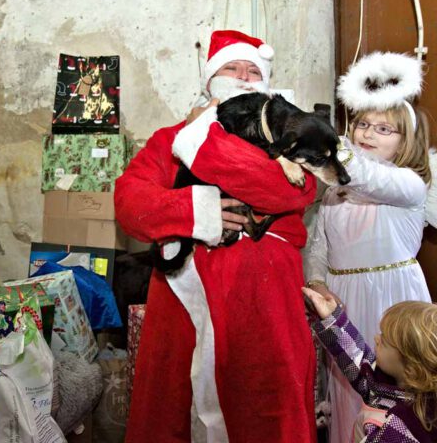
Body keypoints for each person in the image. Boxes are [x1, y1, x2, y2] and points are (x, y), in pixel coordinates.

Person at [115, 30, 319, 442]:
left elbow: (288, 191)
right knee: (174, 408)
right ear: (209, 82)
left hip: (263, 303)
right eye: (232, 68)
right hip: (181, 300)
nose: (244, 77)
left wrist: (201, 140)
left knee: (263, 407)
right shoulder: (167, 138)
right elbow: (130, 203)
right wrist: (193, 210)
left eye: (253, 71)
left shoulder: (288, 142)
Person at [303, 51, 433, 442]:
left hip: (394, 298)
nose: (367, 135)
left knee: (395, 387)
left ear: (405, 141)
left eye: (383, 129)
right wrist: (318, 280)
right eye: (362, 124)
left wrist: (324, 145)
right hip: (343, 300)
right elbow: (319, 244)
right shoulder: (336, 191)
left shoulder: (410, 184)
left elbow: (369, 178)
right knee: (347, 385)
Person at [302, 287, 437, 442]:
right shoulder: (403, 388)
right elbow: (360, 362)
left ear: (412, 370)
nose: (375, 339)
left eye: (384, 341)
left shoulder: (398, 429)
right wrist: (331, 318)